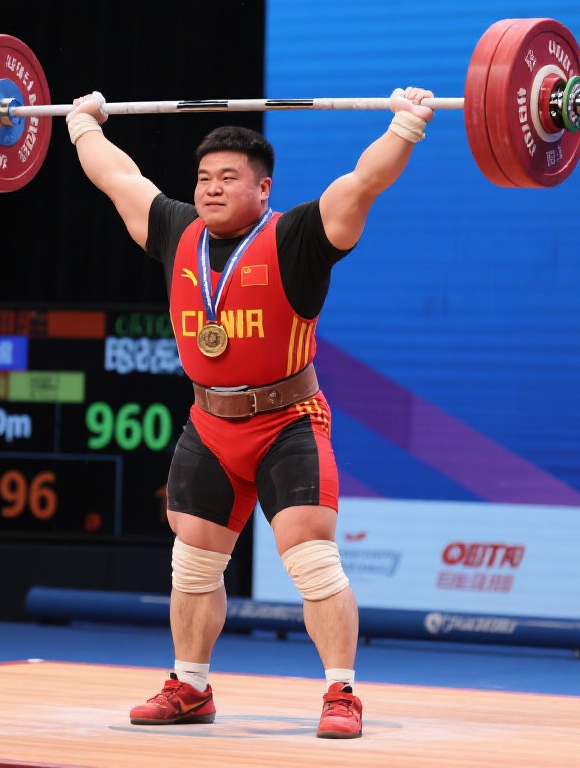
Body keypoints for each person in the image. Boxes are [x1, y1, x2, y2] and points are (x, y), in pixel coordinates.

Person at [65, 87, 434, 738]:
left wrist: (405, 124)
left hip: (287, 422)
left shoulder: (297, 237)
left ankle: (341, 693)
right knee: (192, 565)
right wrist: (81, 125)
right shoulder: (176, 230)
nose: (211, 189)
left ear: (263, 189)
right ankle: (190, 687)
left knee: (311, 559)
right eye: (204, 178)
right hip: (210, 425)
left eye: (228, 178)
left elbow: (362, 183)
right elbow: (119, 179)